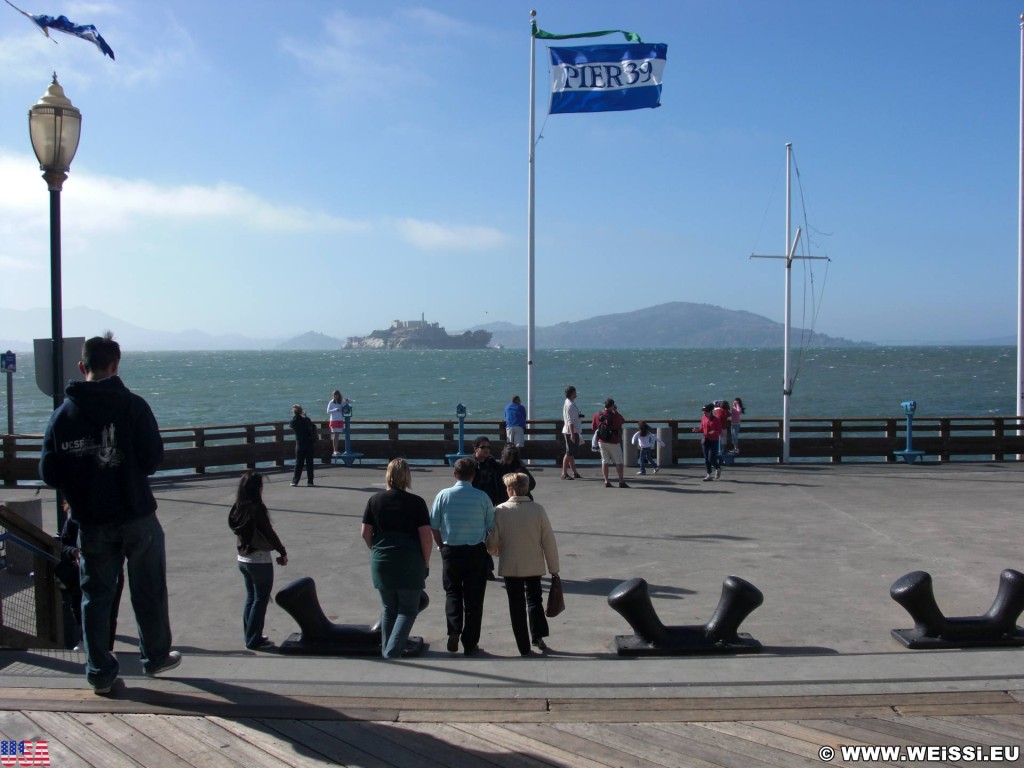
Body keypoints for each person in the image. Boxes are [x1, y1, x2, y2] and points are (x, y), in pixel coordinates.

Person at [39, 332, 180, 694]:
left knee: (96, 595)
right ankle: (156, 656)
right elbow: (152, 459)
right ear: (115, 365)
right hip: (136, 512)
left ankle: (100, 670)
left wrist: (82, 481)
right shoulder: (134, 406)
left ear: (81, 366)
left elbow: (49, 473)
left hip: (91, 519)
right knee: (148, 587)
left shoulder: (63, 416)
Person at [360, 458, 432, 658]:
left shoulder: (374, 500)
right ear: (407, 476)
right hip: (409, 561)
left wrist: (376, 550)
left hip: (382, 560)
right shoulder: (416, 503)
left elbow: (365, 533)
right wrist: (425, 562)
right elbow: (425, 537)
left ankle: (387, 651)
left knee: (389, 609)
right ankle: (392, 653)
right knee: (408, 610)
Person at [488, 472, 559, 656]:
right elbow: (548, 541)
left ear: (510, 489)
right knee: (534, 600)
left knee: (516, 604)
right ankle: (538, 636)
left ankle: (523, 645)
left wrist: (495, 551)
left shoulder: (500, 510)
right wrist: (554, 568)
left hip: (511, 565)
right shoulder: (538, 509)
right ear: (526, 488)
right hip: (533, 563)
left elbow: (493, 542)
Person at [430, 457, 494, 656]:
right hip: (476, 551)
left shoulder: (443, 495)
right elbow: (491, 527)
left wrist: (441, 546)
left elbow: (434, 525)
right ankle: (470, 642)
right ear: (473, 476)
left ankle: (454, 629)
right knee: (474, 599)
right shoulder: (482, 497)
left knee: (452, 592)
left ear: (454, 474)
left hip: (451, 550)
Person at [228, 471, 288, 650]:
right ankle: (254, 640)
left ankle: (250, 634)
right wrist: (282, 551)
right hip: (259, 560)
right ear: (257, 489)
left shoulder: (238, 507)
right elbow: (268, 532)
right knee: (261, 599)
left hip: (243, 558)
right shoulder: (256, 508)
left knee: (251, 598)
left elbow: (232, 524)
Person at [592, 398, 628, 488]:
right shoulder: (614, 415)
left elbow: (593, 427)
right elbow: (622, 420)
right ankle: (621, 481)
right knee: (618, 461)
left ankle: (606, 481)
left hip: (601, 441)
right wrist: (615, 410)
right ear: (612, 405)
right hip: (614, 441)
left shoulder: (597, 414)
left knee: (604, 461)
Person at [693, 403, 723, 481]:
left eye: (705, 411)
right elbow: (702, 428)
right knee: (706, 459)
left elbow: (720, 431)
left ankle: (718, 468)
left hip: (713, 441)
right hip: (705, 440)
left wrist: (714, 432)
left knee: (711, 459)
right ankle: (709, 474)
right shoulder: (703, 418)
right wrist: (697, 430)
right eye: (703, 411)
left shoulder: (716, 420)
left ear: (710, 411)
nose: (704, 413)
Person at [289, 404, 316, 487]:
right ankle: (310, 482)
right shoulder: (307, 420)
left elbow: (291, 426)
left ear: (294, 412)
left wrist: (296, 416)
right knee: (309, 463)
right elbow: (313, 426)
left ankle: (295, 481)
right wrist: (305, 416)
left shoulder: (294, 421)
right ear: (301, 411)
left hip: (300, 444)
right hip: (309, 443)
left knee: (298, 463)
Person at [560, 386, 583, 480]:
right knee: (569, 452)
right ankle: (564, 473)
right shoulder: (570, 405)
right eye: (575, 392)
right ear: (572, 393)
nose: (576, 393)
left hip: (570, 431)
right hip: (570, 432)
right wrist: (572, 434)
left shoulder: (569, 403)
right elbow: (570, 421)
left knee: (571, 453)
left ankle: (574, 472)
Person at [327, 390, 352, 458]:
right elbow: (328, 411)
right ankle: (335, 450)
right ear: (333, 395)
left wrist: (346, 399)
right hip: (334, 420)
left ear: (339, 395)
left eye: (337, 395)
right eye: (335, 395)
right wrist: (335, 409)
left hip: (339, 420)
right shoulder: (331, 402)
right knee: (335, 435)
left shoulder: (341, 401)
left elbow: (350, 402)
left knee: (337, 435)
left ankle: (336, 450)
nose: (336, 396)